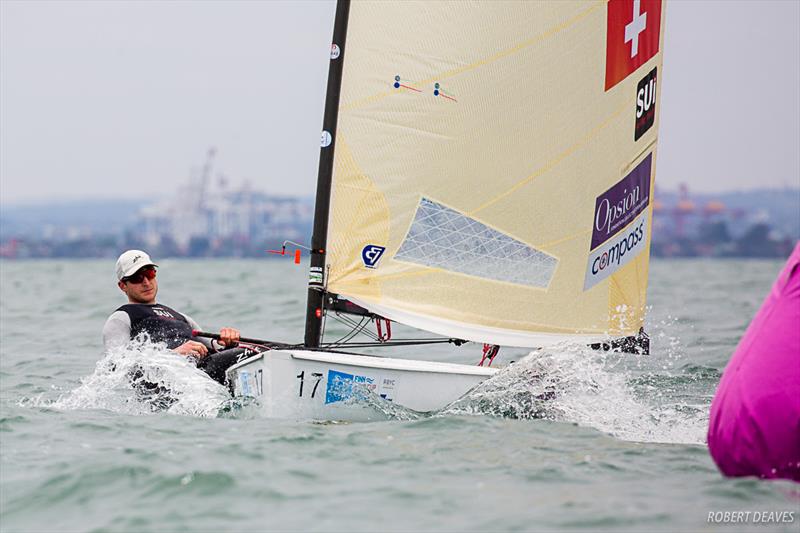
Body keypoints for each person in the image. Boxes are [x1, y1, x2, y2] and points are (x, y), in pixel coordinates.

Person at [103, 249, 247, 385]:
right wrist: (173, 355)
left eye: (149, 273)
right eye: (137, 278)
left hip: (202, 375)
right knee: (244, 354)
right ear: (122, 286)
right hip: (170, 386)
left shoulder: (181, 317)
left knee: (251, 351)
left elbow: (215, 347)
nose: (146, 282)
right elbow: (118, 366)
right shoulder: (121, 318)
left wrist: (229, 341)